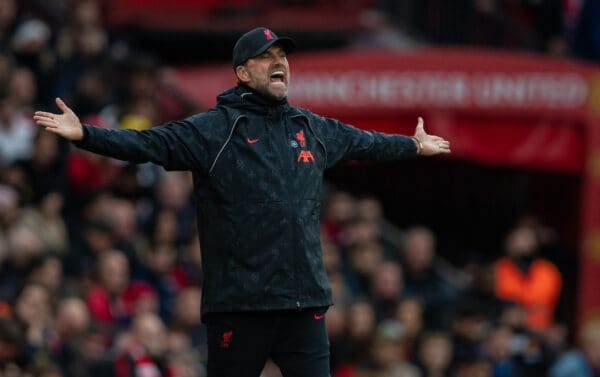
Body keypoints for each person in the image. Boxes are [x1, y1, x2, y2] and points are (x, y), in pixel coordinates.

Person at [33, 27, 451, 377]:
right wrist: (87, 134)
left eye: (282, 55)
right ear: (243, 74)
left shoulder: (311, 126)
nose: (279, 62)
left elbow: (367, 142)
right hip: (240, 305)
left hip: (304, 303)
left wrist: (412, 146)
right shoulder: (214, 130)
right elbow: (147, 143)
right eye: (266, 56)